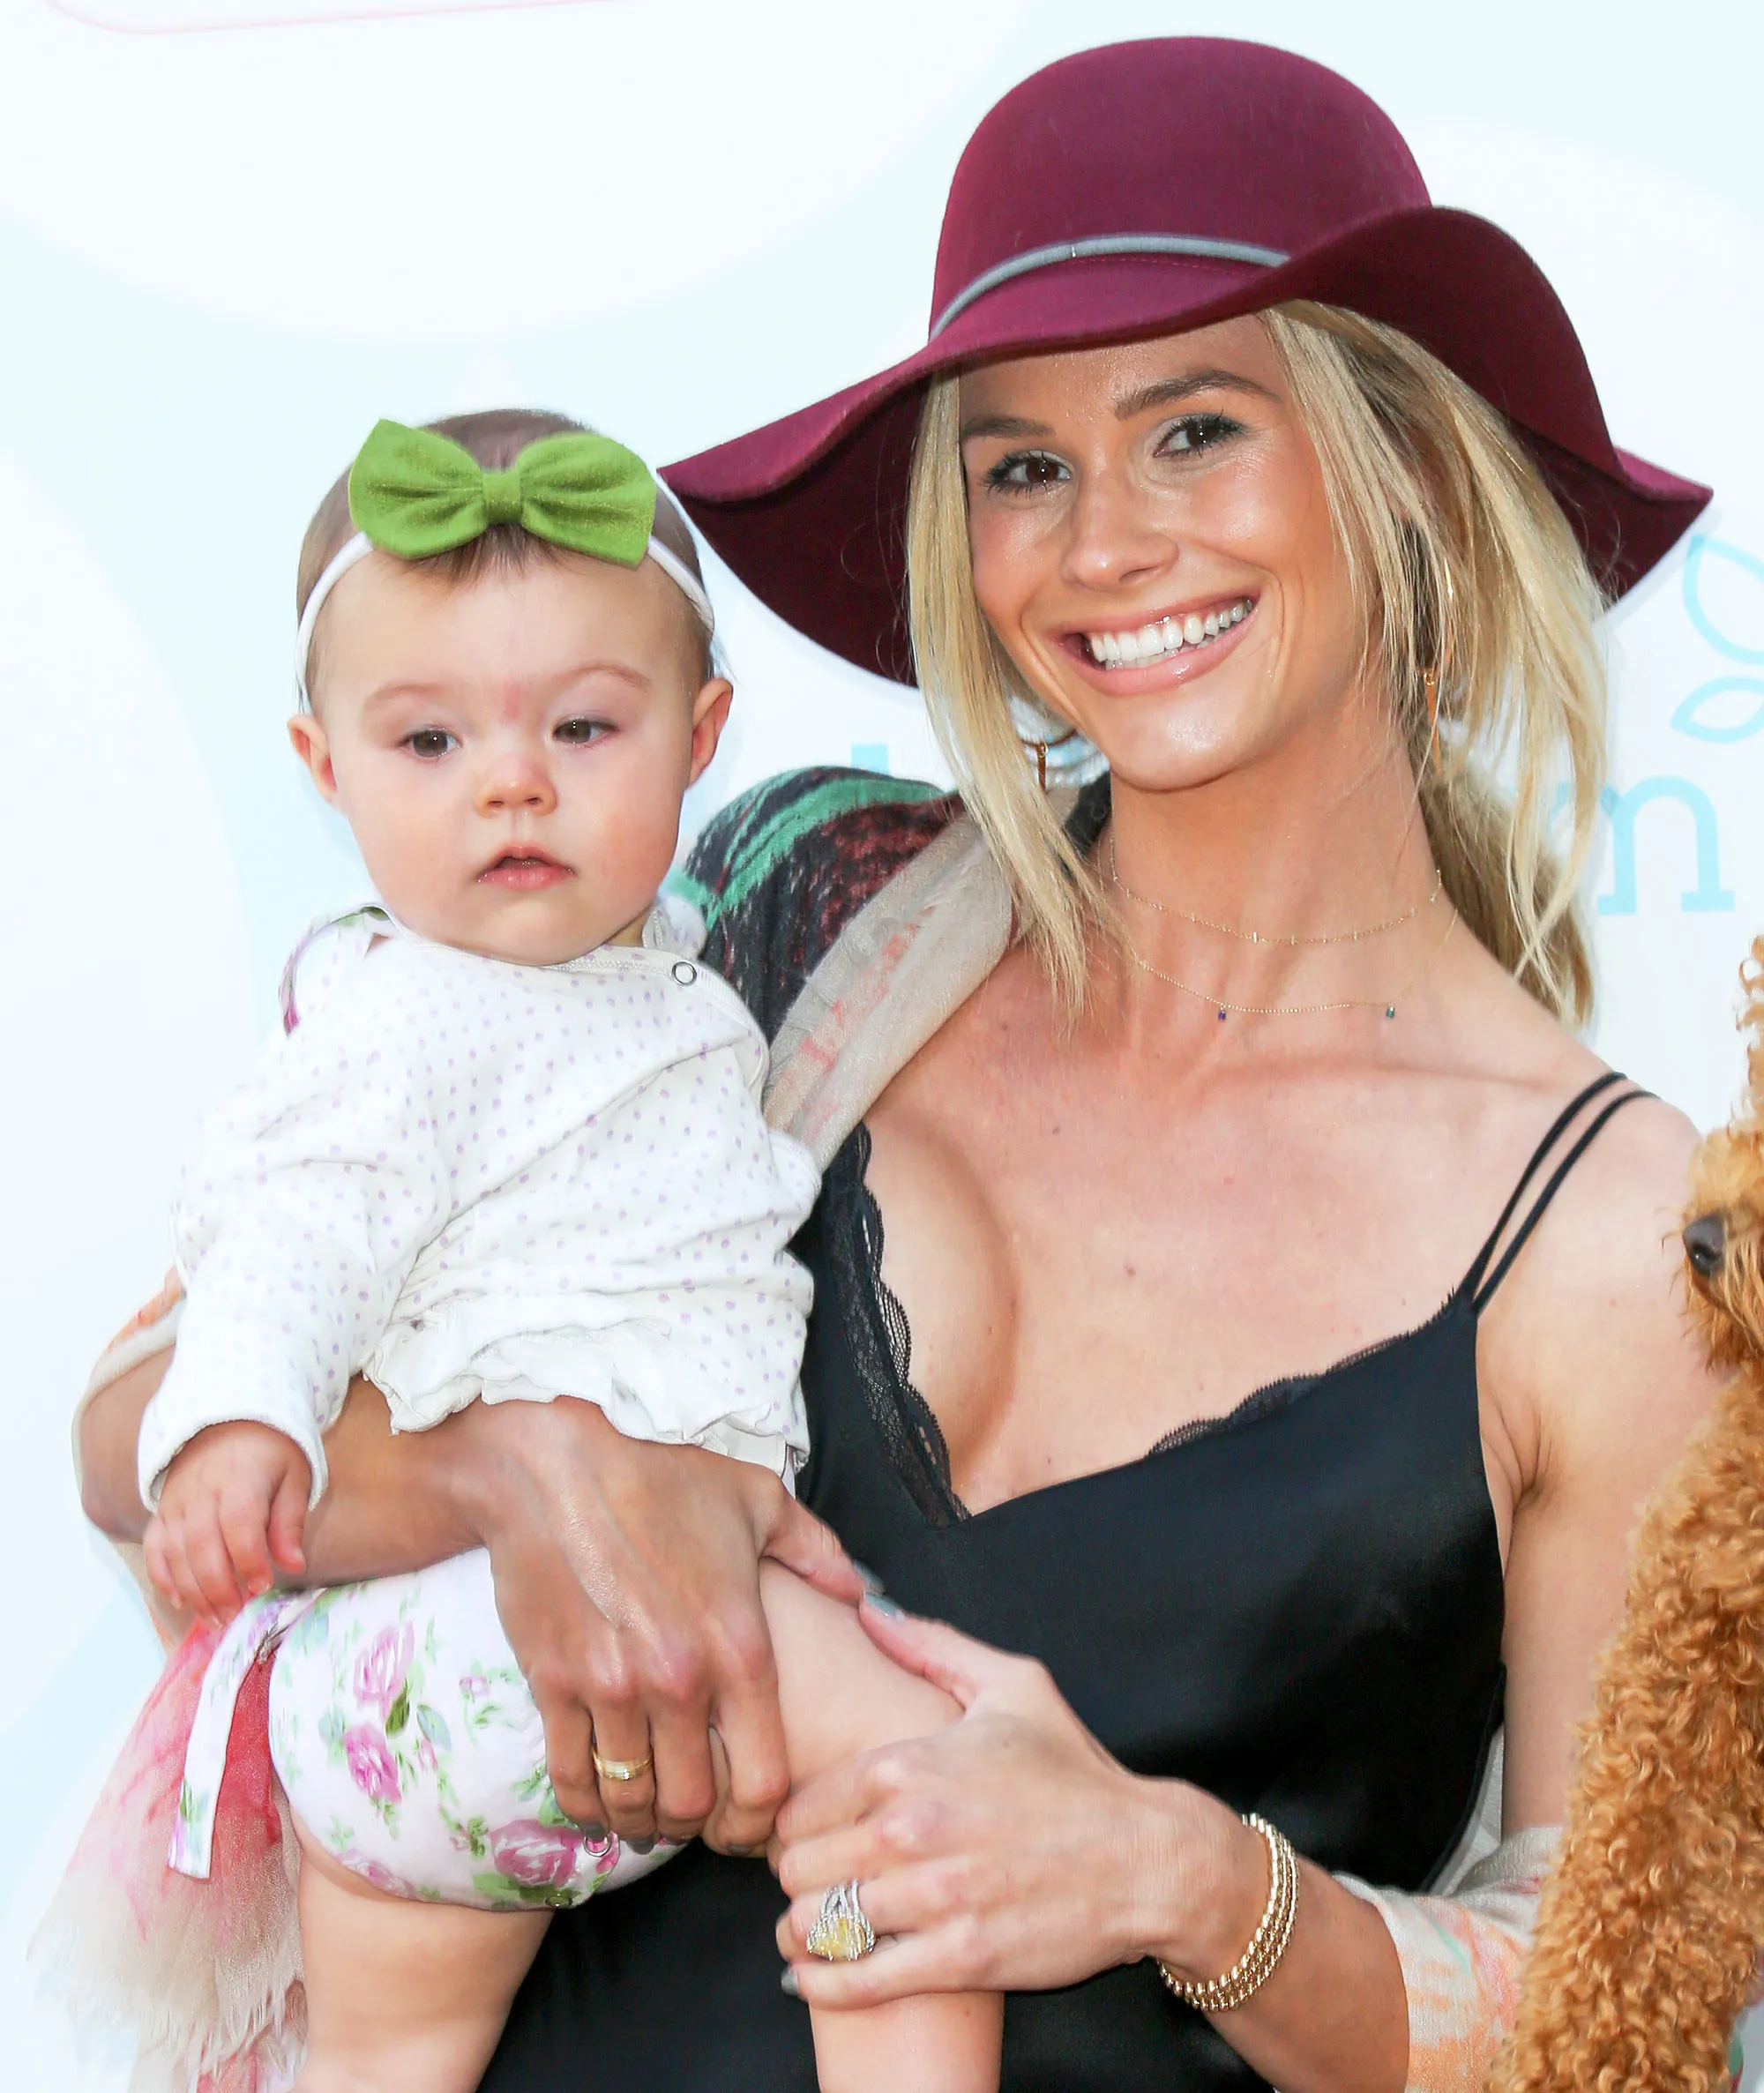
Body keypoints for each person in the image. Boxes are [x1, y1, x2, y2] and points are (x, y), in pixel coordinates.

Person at [72, 38, 1721, 2093]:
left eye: (1194, 429)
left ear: (1404, 470)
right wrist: (532, 1476)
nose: (1102, 541)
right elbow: (133, 1438)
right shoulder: (786, 913)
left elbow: (1623, 2018)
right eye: (1017, 464)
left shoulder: (1621, 1243)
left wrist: (1187, 1883)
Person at [41, 412, 1001, 2093]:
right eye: (429, 742)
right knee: (915, 1782)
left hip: (428, 1731)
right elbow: (293, 1221)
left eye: (582, 726)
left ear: (702, 733)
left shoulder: (672, 970)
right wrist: (246, 1424)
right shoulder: (409, 1014)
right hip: (482, 1635)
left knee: (383, 2058)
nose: (513, 781)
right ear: (320, 765)